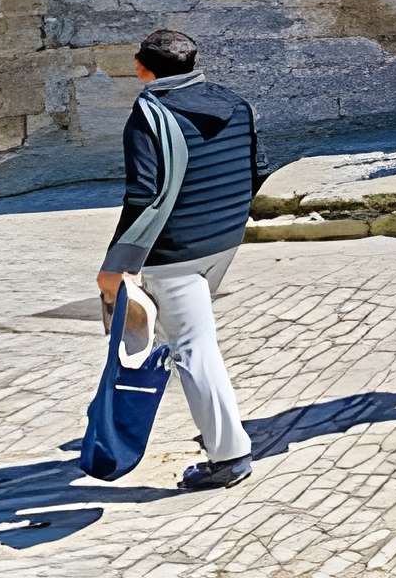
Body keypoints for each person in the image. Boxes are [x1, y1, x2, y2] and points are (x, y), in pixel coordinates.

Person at [98, 28, 264, 492]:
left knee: (193, 349)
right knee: (192, 339)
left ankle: (229, 455)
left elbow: (142, 195)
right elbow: (259, 166)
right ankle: (220, 431)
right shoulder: (236, 102)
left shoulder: (148, 114)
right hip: (224, 240)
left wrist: (117, 263)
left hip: (174, 253)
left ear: (143, 68)